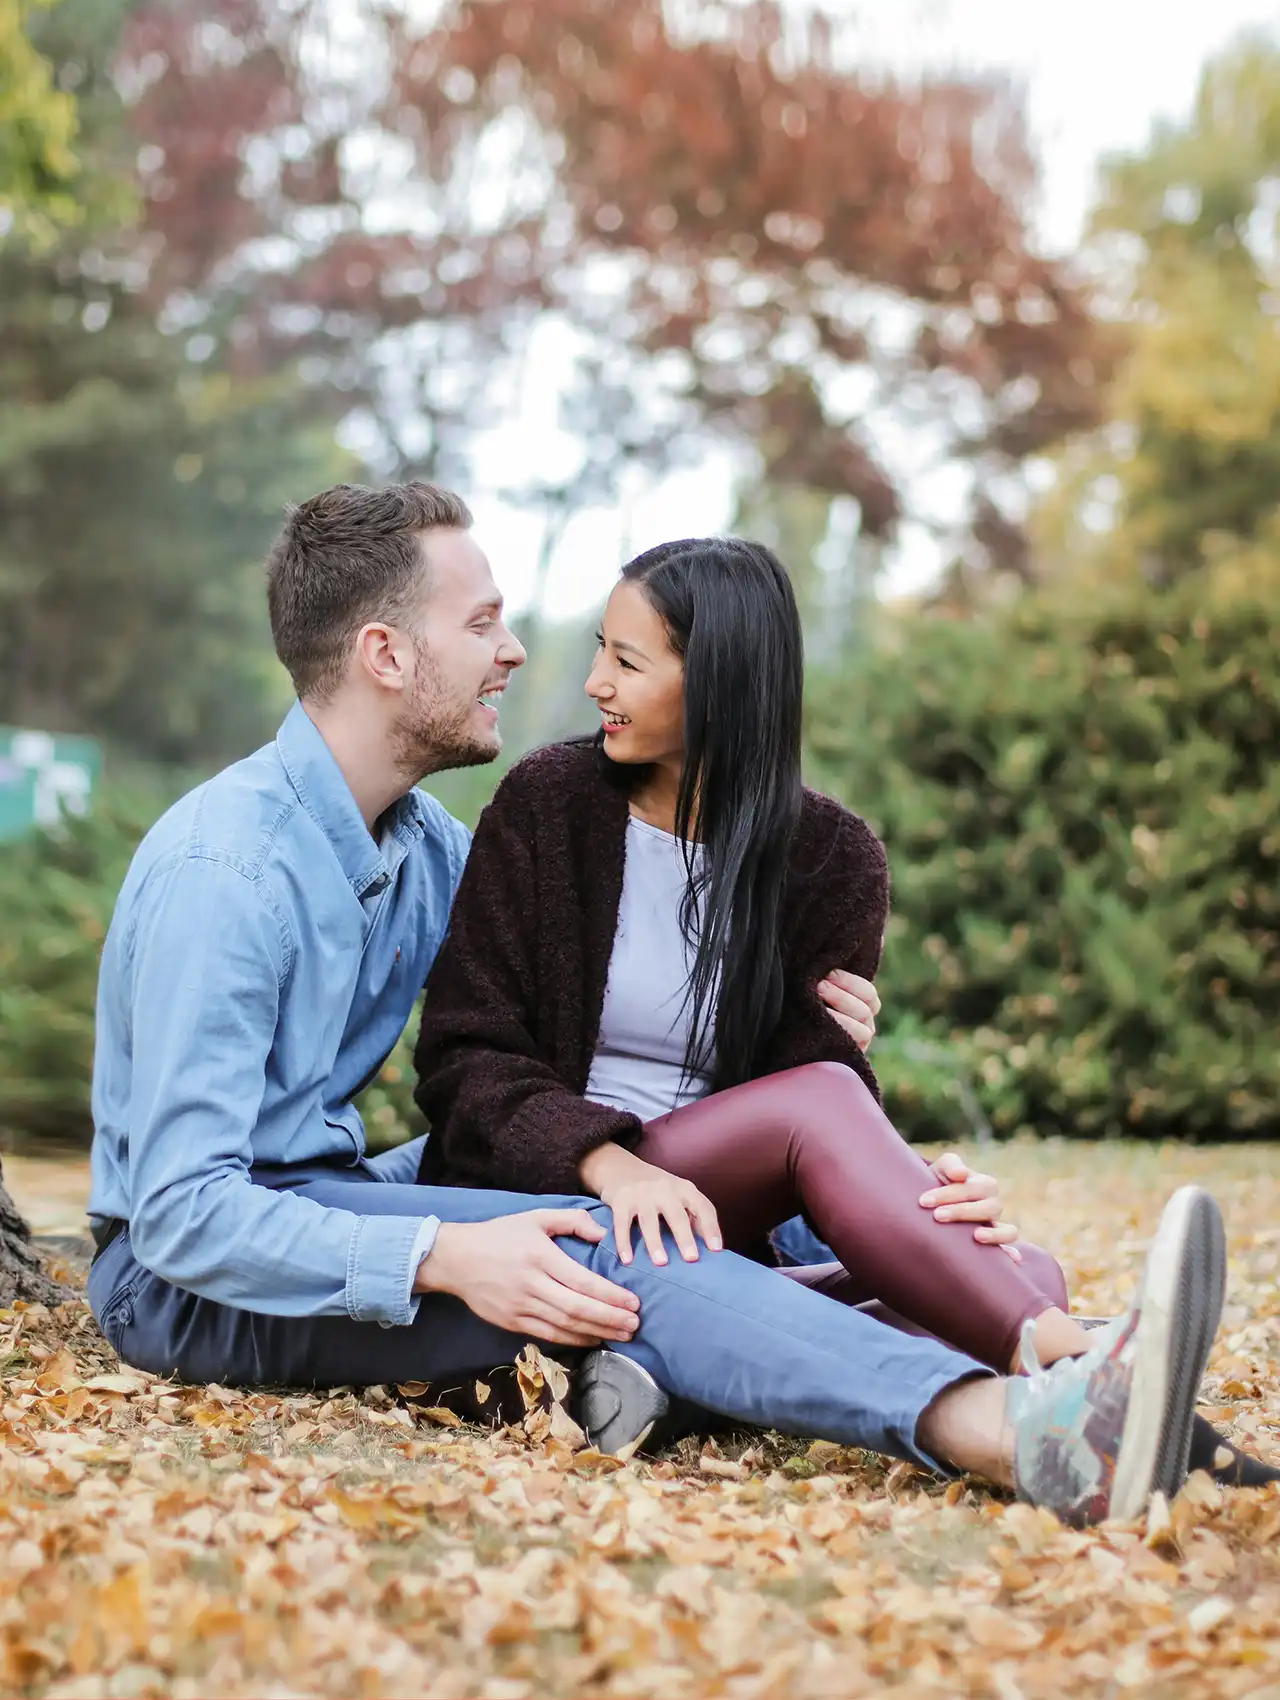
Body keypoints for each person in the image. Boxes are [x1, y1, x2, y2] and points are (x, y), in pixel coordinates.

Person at [83, 481, 1228, 1526]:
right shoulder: (226, 873)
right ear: (383, 653)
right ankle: (1020, 1428)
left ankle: (983, 1348)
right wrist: (443, 1254)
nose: (516, 651)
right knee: (608, 1242)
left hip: (330, 1195)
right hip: (182, 1281)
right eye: (480, 624)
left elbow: (547, 1014)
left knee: (646, 1237)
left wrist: (884, 1162)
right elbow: (183, 1212)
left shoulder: (422, 849)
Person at [412, 534, 1273, 1486]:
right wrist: (611, 1164)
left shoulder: (831, 858)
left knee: (1022, 1269)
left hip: (715, 1225)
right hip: (554, 1193)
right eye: (601, 652)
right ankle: (1082, 1365)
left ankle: (660, 1380)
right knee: (958, 1247)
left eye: (627, 660)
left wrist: (921, 1196)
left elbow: (809, 1097)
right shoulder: (550, 804)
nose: (594, 683)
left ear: (721, 683)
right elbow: (464, 1057)